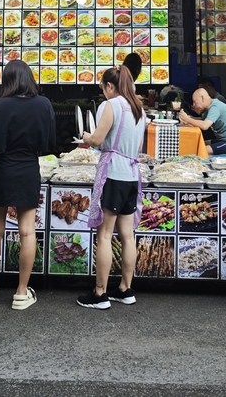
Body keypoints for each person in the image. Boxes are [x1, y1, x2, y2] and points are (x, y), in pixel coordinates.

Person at [0, 60, 54, 311]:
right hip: (29, 169)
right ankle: (22, 293)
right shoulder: (44, 104)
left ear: (8, 80)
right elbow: (48, 142)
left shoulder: (1, 106)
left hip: (3, 169)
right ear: (29, 78)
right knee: (27, 231)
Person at [77, 65, 147, 310]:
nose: (102, 92)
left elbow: (97, 140)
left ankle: (100, 294)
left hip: (114, 174)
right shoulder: (139, 108)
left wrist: (86, 137)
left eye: (102, 87)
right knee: (128, 235)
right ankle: (125, 290)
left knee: (105, 234)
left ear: (109, 86)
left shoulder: (111, 105)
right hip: (131, 175)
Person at [179, 85, 226, 154]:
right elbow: (202, 120)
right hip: (222, 140)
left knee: (200, 150)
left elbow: (205, 125)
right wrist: (187, 119)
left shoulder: (215, 107)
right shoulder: (209, 106)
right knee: (198, 144)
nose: (193, 105)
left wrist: (187, 119)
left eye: (195, 102)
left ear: (202, 98)